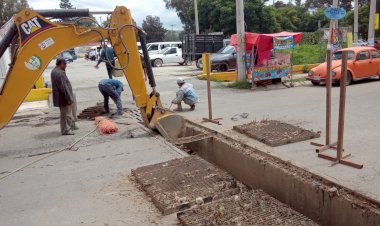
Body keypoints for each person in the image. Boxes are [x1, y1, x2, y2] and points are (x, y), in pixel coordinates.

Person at [51, 58, 78, 135]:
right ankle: (66, 130)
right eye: (65, 64)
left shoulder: (54, 71)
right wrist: (69, 98)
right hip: (63, 98)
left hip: (60, 97)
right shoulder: (60, 73)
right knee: (66, 115)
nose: (66, 66)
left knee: (66, 114)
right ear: (61, 64)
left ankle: (72, 125)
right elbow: (64, 88)